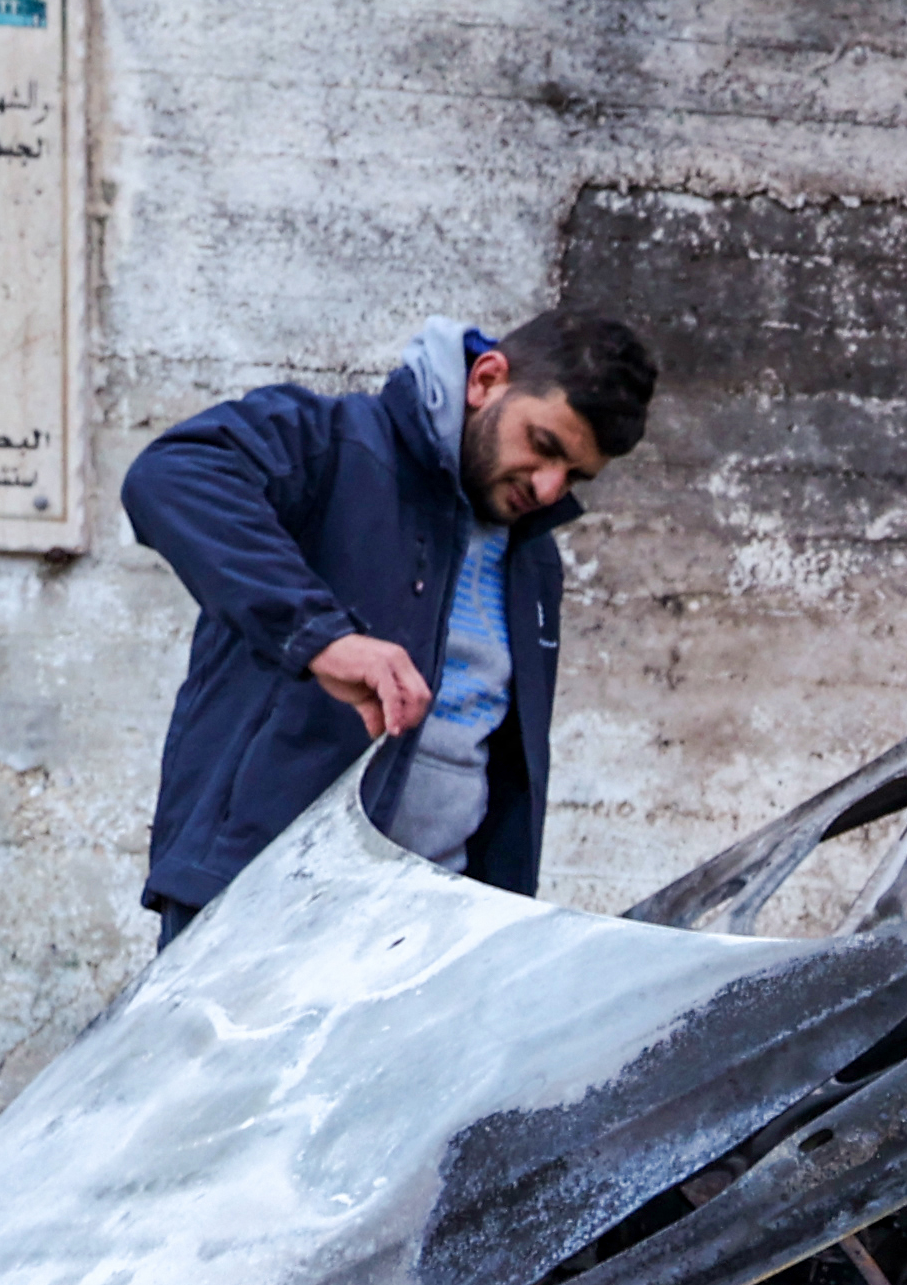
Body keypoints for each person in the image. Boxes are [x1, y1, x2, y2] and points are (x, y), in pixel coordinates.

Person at [120, 310, 660, 940]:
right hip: (256, 918)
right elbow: (171, 474)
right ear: (486, 379)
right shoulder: (336, 445)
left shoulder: (532, 557)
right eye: (544, 446)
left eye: (574, 476)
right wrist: (321, 638)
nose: (547, 488)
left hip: (428, 943)